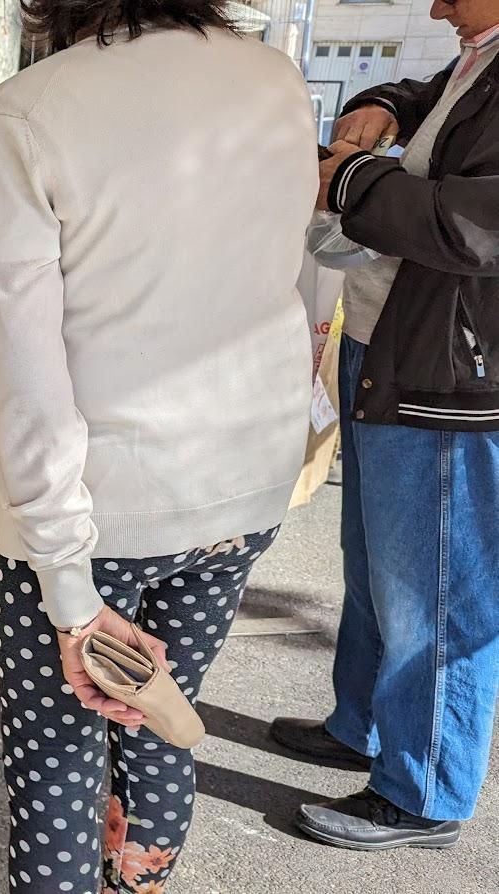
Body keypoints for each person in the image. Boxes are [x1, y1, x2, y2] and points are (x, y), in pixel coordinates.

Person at [0, 0, 316, 888]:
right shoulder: (274, 79)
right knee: (160, 716)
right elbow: (279, 271)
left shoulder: (25, 111)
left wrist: (69, 592)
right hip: (244, 484)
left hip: (103, 507)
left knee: (58, 764)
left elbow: (27, 383)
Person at [270, 0, 499, 852]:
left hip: (449, 373)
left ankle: (426, 787)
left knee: (435, 587)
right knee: (375, 562)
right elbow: (436, 101)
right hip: (394, 345)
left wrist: (353, 181)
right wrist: (391, 104)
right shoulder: (478, 55)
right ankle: (360, 722)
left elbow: (471, 222)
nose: (435, 3)